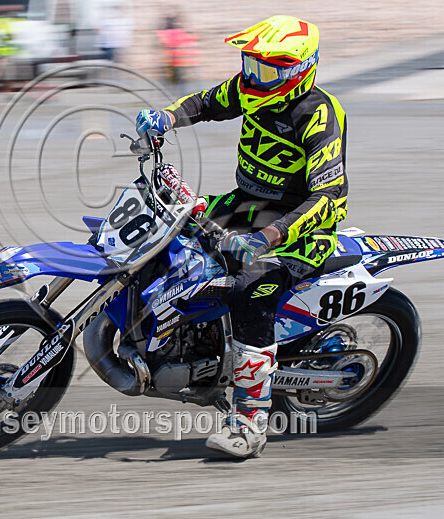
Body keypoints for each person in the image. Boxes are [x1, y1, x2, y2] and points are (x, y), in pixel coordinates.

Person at [136, 15, 347, 458]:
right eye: (250, 64)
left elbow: (329, 195)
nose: (254, 76)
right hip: (244, 205)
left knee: (251, 292)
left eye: (266, 70)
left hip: (299, 229)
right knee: (164, 230)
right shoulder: (250, 89)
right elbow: (206, 104)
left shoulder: (320, 115)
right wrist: (165, 118)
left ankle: (249, 422)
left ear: (298, 70)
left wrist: (266, 238)